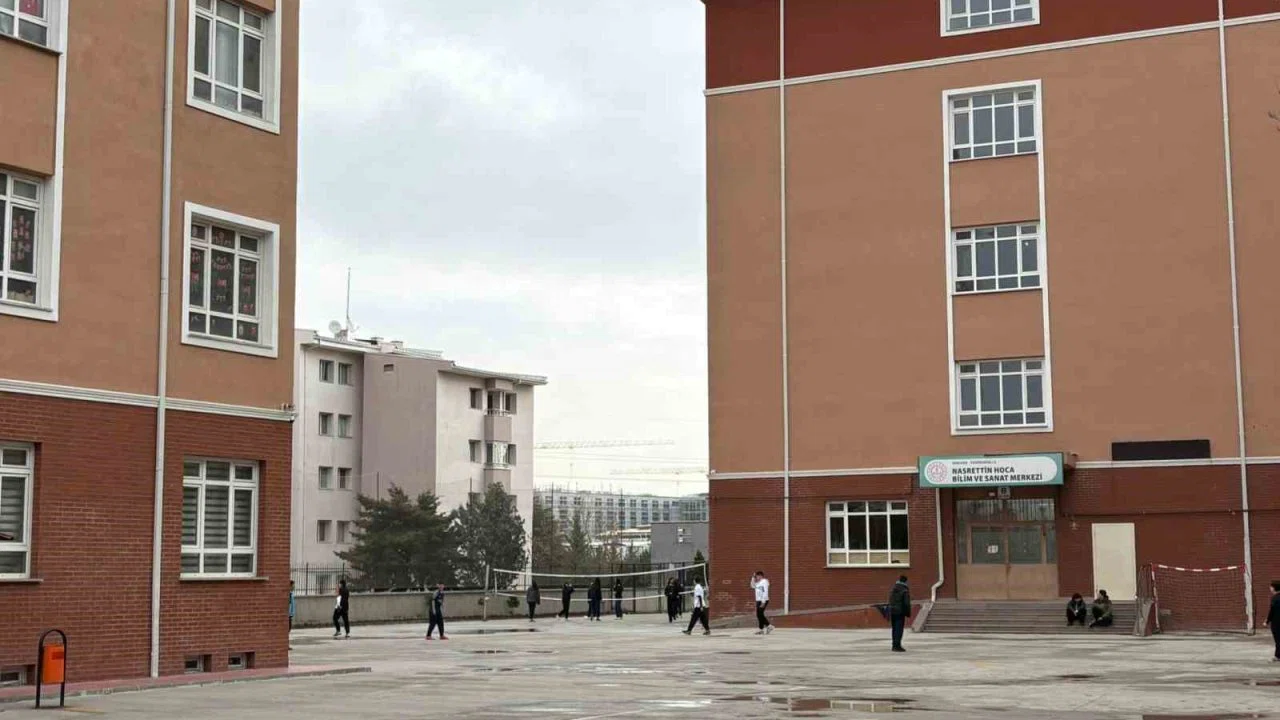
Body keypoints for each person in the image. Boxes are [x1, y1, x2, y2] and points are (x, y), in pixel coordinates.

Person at [888, 575, 911, 652]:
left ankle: (894, 645)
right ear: (905, 581)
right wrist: (907, 613)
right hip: (900, 612)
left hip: (893, 611)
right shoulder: (904, 590)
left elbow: (890, 599)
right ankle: (897, 646)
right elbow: (906, 603)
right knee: (899, 629)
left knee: (894, 629)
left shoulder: (893, 588)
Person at [751, 570, 773, 635]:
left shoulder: (764, 582)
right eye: (756, 576)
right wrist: (752, 577)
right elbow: (752, 585)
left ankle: (768, 626)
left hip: (763, 600)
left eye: (757, 576)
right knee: (759, 615)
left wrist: (763, 602)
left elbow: (765, 592)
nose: (756, 578)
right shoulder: (758, 583)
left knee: (760, 614)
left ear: (760, 576)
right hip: (758, 600)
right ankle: (763, 629)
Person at [1265, 580, 1279, 662]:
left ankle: (1277, 656)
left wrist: (1267, 621)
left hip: (1277, 622)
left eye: (1271, 586)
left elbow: (1272, 611)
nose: (1270, 588)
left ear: (1274, 588)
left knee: (1278, 639)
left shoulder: (1274, 598)